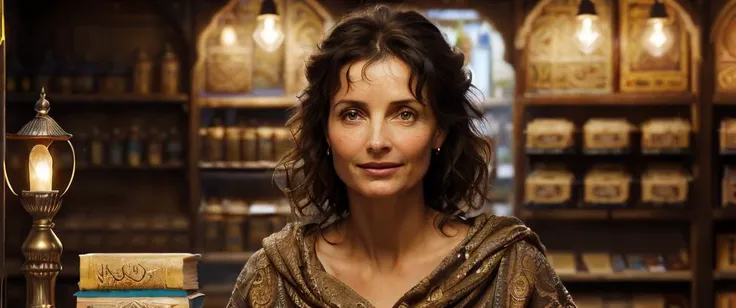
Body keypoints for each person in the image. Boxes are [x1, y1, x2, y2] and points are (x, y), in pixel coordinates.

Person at [227, 4, 575, 308]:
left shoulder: (512, 268)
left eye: (405, 114)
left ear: (439, 129)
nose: (377, 141)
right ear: (325, 131)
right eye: (352, 114)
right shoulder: (274, 278)